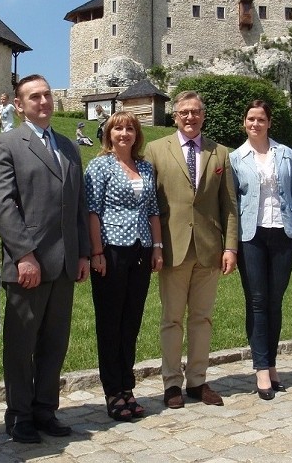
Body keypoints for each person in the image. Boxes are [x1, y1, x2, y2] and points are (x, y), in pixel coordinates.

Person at [0, 73, 91, 444]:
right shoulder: (6, 143)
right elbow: (2, 205)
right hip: (27, 266)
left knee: (54, 343)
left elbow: (78, 205)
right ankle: (19, 415)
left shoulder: (68, 146)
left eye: (47, 95)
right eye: (35, 97)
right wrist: (24, 256)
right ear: (19, 105)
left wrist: (82, 253)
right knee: (21, 345)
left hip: (65, 265)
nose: (44, 102)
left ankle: (46, 409)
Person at [144, 90, 238, 409]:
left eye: (195, 112)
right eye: (184, 112)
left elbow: (229, 206)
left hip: (209, 250)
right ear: (175, 116)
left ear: (203, 115)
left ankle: (198, 380)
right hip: (172, 247)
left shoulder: (220, 153)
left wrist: (230, 247)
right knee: (171, 319)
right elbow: (149, 203)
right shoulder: (156, 150)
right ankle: (171, 383)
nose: (190, 117)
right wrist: (154, 245)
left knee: (202, 318)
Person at [229, 100, 292, 400]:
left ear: (269, 123)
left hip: (283, 234)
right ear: (244, 123)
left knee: (275, 302)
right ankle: (261, 369)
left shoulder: (285, 154)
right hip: (251, 237)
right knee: (258, 302)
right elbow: (233, 205)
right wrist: (230, 244)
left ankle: (273, 365)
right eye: (251, 119)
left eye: (260, 119)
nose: (255, 124)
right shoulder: (236, 158)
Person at [85, 111, 163, 421]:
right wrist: (96, 251)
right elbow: (92, 212)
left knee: (131, 321)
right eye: (118, 128)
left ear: (136, 134)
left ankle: (127, 387)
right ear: (108, 134)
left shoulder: (145, 167)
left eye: (130, 128)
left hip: (141, 251)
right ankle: (112, 390)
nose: (124, 133)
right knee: (110, 322)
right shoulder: (99, 166)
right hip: (111, 251)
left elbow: (154, 211)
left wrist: (157, 248)